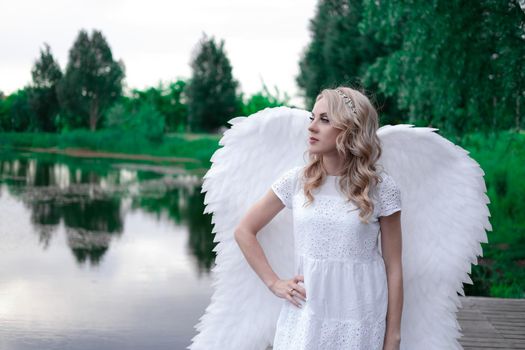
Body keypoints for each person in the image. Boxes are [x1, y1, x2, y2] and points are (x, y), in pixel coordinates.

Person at [234, 87, 403, 350]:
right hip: (306, 315)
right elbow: (244, 230)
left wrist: (393, 337)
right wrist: (274, 283)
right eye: (311, 118)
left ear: (351, 129)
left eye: (324, 120)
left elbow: (394, 268)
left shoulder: (381, 189)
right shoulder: (296, 181)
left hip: (359, 318)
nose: (312, 127)